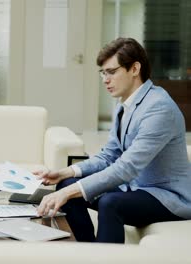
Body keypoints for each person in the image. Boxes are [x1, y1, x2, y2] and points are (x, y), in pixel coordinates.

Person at [35, 37, 191, 243]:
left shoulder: (159, 108)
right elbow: (109, 156)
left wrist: (69, 192)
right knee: (66, 183)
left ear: (135, 69)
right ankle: (88, 249)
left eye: (111, 72)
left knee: (110, 203)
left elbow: (127, 168)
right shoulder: (123, 104)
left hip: (167, 196)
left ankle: (106, 257)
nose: (105, 80)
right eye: (103, 73)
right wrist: (64, 173)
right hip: (135, 188)